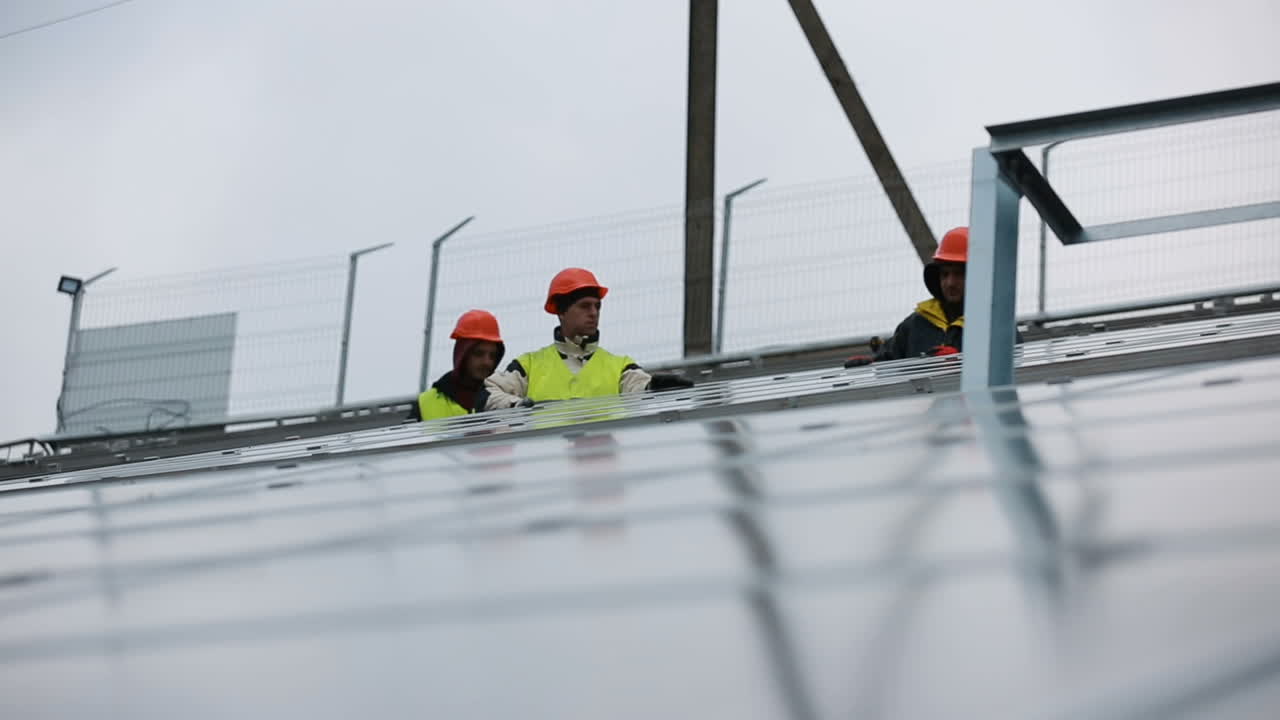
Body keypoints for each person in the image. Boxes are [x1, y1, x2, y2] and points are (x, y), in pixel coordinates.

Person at [485, 267, 692, 409]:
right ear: (561, 311)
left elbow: (639, 386)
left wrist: (655, 386)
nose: (594, 312)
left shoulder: (621, 367)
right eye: (584, 306)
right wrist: (516, 406)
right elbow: (486, 390)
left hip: (605, 468)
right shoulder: (527, 365)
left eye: (597, 306)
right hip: (547, 469)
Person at [846, 226, 969, 367]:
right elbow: (889, 360)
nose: (950, 283)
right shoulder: (916, 323)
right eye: (945, 274)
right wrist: (871, 363)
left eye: (959, 274)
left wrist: (960, 358)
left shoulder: (991, 323)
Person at [409, 309, 505, 420]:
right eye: (479, 354)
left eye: (492, 356)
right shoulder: (425, 403)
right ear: (462, 354)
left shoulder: (505, 398)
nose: (487, 362)